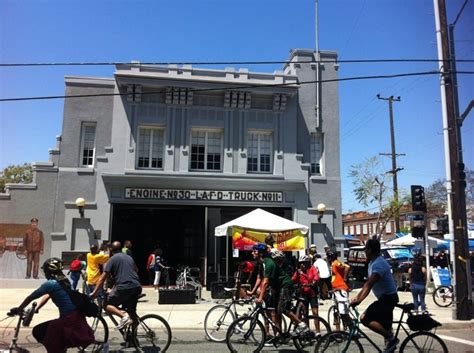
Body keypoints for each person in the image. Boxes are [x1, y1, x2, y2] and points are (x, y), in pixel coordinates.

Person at [10, 258, 94, 352]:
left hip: (68, 319)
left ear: (48, 271)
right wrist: (37, 308)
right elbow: (48, 295)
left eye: (45, 271)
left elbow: (31, 297)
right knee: (51, 335)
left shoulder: (50, 284)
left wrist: (18, 309)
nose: (45, 273)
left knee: (40, 331)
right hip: (76, 315)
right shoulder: (63, 280)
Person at [350, 238, 399, 353]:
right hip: (385, 298)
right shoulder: (372, 262)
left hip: (388, 298)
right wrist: (357, 297)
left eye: (366, 249)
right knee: (386, 330)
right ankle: (390, 340)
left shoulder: (379, 264)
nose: (365, 252)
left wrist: (358, 300)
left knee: (364, 318)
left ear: (371, 250)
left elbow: (369, 284)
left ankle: (391, 338)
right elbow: (366, 284)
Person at [253, 243, 308, 336]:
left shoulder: (269, 263)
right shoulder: (262, 264)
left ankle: (301, 324)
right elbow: (260, 278)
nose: (252, 253)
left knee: (283, 308)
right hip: (277, 287)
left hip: (285, 285)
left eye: (254, 251)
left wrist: (260, 297)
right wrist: (254, 291)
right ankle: (279, 335)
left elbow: (265, 282)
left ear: (261, 253)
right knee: (276, 310)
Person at [91, 241, 142, 329]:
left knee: (106, 304)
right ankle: (132, 339)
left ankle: (124, 316)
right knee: (131, 312)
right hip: (137, 286)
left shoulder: (112, 259)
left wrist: (95, 292)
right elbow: (136, 270)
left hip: (124, 287)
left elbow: (102, 278)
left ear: (111, 250)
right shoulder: (129, 257)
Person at [292, 255, 322, 337]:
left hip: (312, 294)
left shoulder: (312, 269)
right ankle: (307, 330)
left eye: (304, 263)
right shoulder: (298, 271)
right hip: (303, 294)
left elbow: (316, 276)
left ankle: (318, 332)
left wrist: (314, 281)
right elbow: (293, 280)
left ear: (308, 263)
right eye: (301, 263)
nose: (302, 265)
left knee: (315, 313)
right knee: (305, 313)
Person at [328, 251, 352, 331]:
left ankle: (351, 328)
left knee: (343, 311)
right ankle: (338, 331)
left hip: (341, 289)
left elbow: (347, 267)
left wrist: (345, 278)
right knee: (335, 312)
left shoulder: (336, 263)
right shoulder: (332, 265)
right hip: (335, 290)